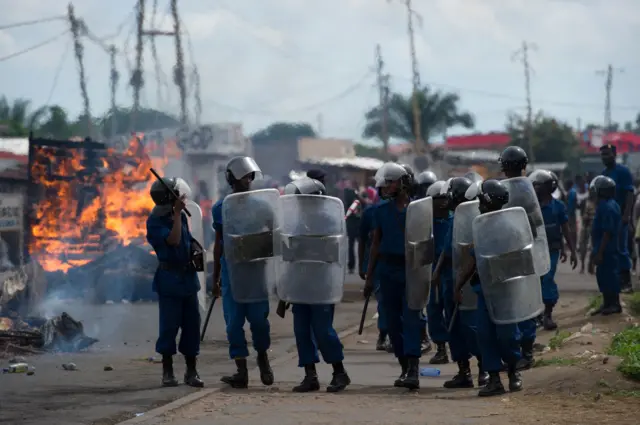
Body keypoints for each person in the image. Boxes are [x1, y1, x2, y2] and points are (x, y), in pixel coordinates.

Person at [280, 178, 351, 393]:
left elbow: (333, 252)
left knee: (323, 331)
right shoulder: (294, 221)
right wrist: (285, 289)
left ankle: (339, 372)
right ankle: (310, 375)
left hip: (321, 284)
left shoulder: (330, 220)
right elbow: (286, 255)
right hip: (299, 283)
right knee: (301, 331)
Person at [454, 179, 523, 397]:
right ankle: (494, 379)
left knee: (507, 335)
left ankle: (513, 371)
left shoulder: (511, 228)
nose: (478, 204)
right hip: (484, 291)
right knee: (485, 334)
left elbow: (521, 260)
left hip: (506, 291)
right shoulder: (480, 227)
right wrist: (459, 285)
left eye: (480, 200)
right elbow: (472, 261)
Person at [212, 156, 275, 389]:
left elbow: (274, 234)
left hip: (255, 271)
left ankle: (263, 358)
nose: (245, 181)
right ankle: (241, 370)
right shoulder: (221, 208)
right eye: (241, 177)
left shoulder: (262, 206)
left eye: (248, 177)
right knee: (233, 324)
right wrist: (215, 277)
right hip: (232, 273)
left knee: (259, 321)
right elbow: (219, 243)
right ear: (231, 179)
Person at [364, 162, 424, 390]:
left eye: (391, 182)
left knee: (411, 319)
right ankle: (403, 365)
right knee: (391, 323)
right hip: (387, 271)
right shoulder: (379, 211)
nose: (387, 186)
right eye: (386, 182)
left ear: (404, 183)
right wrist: (370, 278)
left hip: (411, 270)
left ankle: (414, 368)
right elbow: (375, 245)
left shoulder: (419, 210)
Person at [146, 177, 204, 388]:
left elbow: (186, 241)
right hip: (169, 280)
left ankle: (191, 370)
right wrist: (178, 214)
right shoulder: (155, 221)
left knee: (191, 326)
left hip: (187, 279)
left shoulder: (178, 216)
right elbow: (173, 240)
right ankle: (168, 371)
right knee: (169, 327)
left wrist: (196, 250)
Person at [433, 177, 488, 387]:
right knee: (454, 328)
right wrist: (437, 273)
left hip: (468, 279)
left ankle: (485, 367)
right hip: (451, 279)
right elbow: (447, 252)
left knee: (471, 326)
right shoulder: (453, 219)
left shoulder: (474, 219)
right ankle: (463, 371)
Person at [499, 145, 542, 371]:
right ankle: (522, 351)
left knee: (517, 302)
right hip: (521, 251)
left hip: (514, 252)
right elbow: (536, 226)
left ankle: (522, 352)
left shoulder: (511, 190)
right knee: (522, 301)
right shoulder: (527, 191)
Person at [530, 170, 578, 330]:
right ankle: (536, 314)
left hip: (552, 249)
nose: (535, 187)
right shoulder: (530, 207)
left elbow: (566, 229)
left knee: (547, 278)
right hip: (534, 250)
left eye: (539, 184)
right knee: (536, 281)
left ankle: (548, 314)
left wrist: (572, 251)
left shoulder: (558, 206)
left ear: (549, 186)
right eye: (534, 184)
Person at [399, 163, 431, 354]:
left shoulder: (420, 206)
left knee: (416, 306)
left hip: (417, 260)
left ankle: (422, 339)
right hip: (395, 265)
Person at [422, 180, 450, 364]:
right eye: (437, 198)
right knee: (434, 309)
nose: (442, 202)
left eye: (444, 198)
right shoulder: (425, 222)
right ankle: (440, 347)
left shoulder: (456, 219)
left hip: (452, 268)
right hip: (431, 268)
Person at [359, 184, 390, 352]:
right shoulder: (372, 212)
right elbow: (364, 240)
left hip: (401, 264)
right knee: (384, 301)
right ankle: (384, 334)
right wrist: (363, 268)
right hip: (379, 263)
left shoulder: (410, 209)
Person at [600, 144, 635, 293]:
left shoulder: (623, 171)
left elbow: (629, 193)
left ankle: (626, 281)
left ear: (614, 154)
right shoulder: (604, 173)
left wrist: (627, 214)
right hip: (609, 217)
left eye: (607, 154)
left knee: (621, 248)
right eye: (602, 155)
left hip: (620, 215)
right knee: (610, 248)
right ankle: (616, 280)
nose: (605, 157)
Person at [588, 176, 623, 315]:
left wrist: (600, 252)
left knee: (610, 276)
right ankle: (607, 303)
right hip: (603, 247)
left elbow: (607, 232)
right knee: (602, 275)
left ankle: (615, 304)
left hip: (607, 249)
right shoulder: (607, 204)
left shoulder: (607, 207)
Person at [579, 189, 597, 273]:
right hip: (587, 227)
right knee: (584, 247)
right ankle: (584, 266)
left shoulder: (598, 203)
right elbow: (583, 216)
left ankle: (590, 265)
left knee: (591, 248)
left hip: (592, 227)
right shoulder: (585, 202)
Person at [565, 178, 578, 248]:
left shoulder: (572, 192)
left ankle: (573, 244)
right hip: (570, 213)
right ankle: (572, 244)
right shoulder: (571, 191)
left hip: (571, 214)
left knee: (572, 230)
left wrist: (569, 214)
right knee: (572, 230)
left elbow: (570, 205)